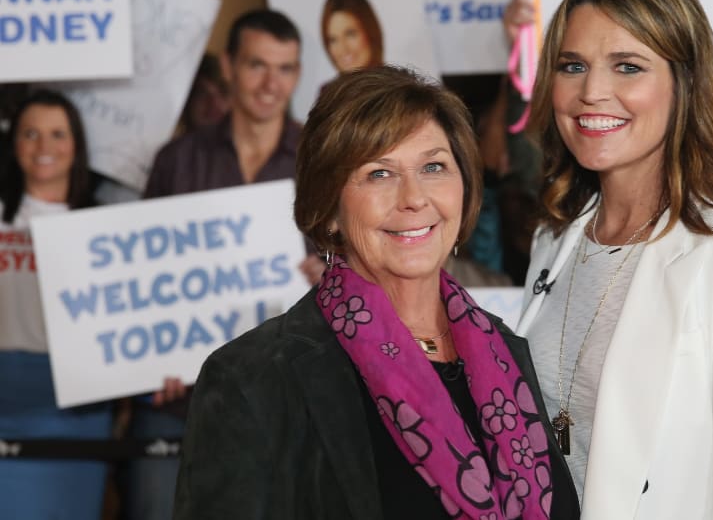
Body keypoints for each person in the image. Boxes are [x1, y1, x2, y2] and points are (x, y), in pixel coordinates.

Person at [174, 66, 579, 520]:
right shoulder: (253, 379)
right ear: (328, 208)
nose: (414, 197)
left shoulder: (510, 352)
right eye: (379, 173)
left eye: (433, 166)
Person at [515, 0, 713, 518]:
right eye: (572, 65)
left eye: (628, 66)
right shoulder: (552, 242)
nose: (592, 92)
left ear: (684, 83)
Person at [121, 8, 321, 520]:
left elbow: (349, 260)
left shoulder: (320, 161)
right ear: (228, 66)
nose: (270, 83)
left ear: (299, 74)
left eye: (285, 68)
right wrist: (149, 357)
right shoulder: (177, 159)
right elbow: (139, 274)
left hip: (285, 401)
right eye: (257, 65)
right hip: (177, 402)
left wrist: (329, 276)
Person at [0, 90, 112, 519]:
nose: (44, 147)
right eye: (31, 134)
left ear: (76, 145)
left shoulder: (109, 229)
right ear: (13, 144)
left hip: (76, 408)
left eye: (57, 134)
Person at [320, 0, 384, 74]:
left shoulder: (399, 85)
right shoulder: (328, 88)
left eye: (350, 34)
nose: (343, 49)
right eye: (333, 40)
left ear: (370, 31)